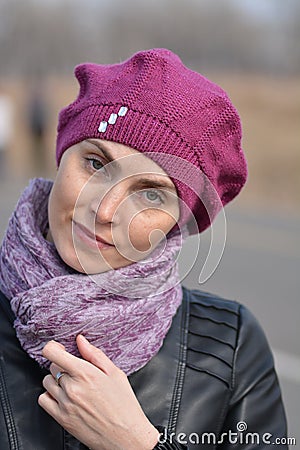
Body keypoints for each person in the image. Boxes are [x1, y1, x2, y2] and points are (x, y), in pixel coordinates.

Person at [0, 49, 287, 449]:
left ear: (177, 222)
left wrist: (135, 443)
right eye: (96, 164)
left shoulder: (230, 346)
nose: (105, 209)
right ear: (62, 156)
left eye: (150, 194)